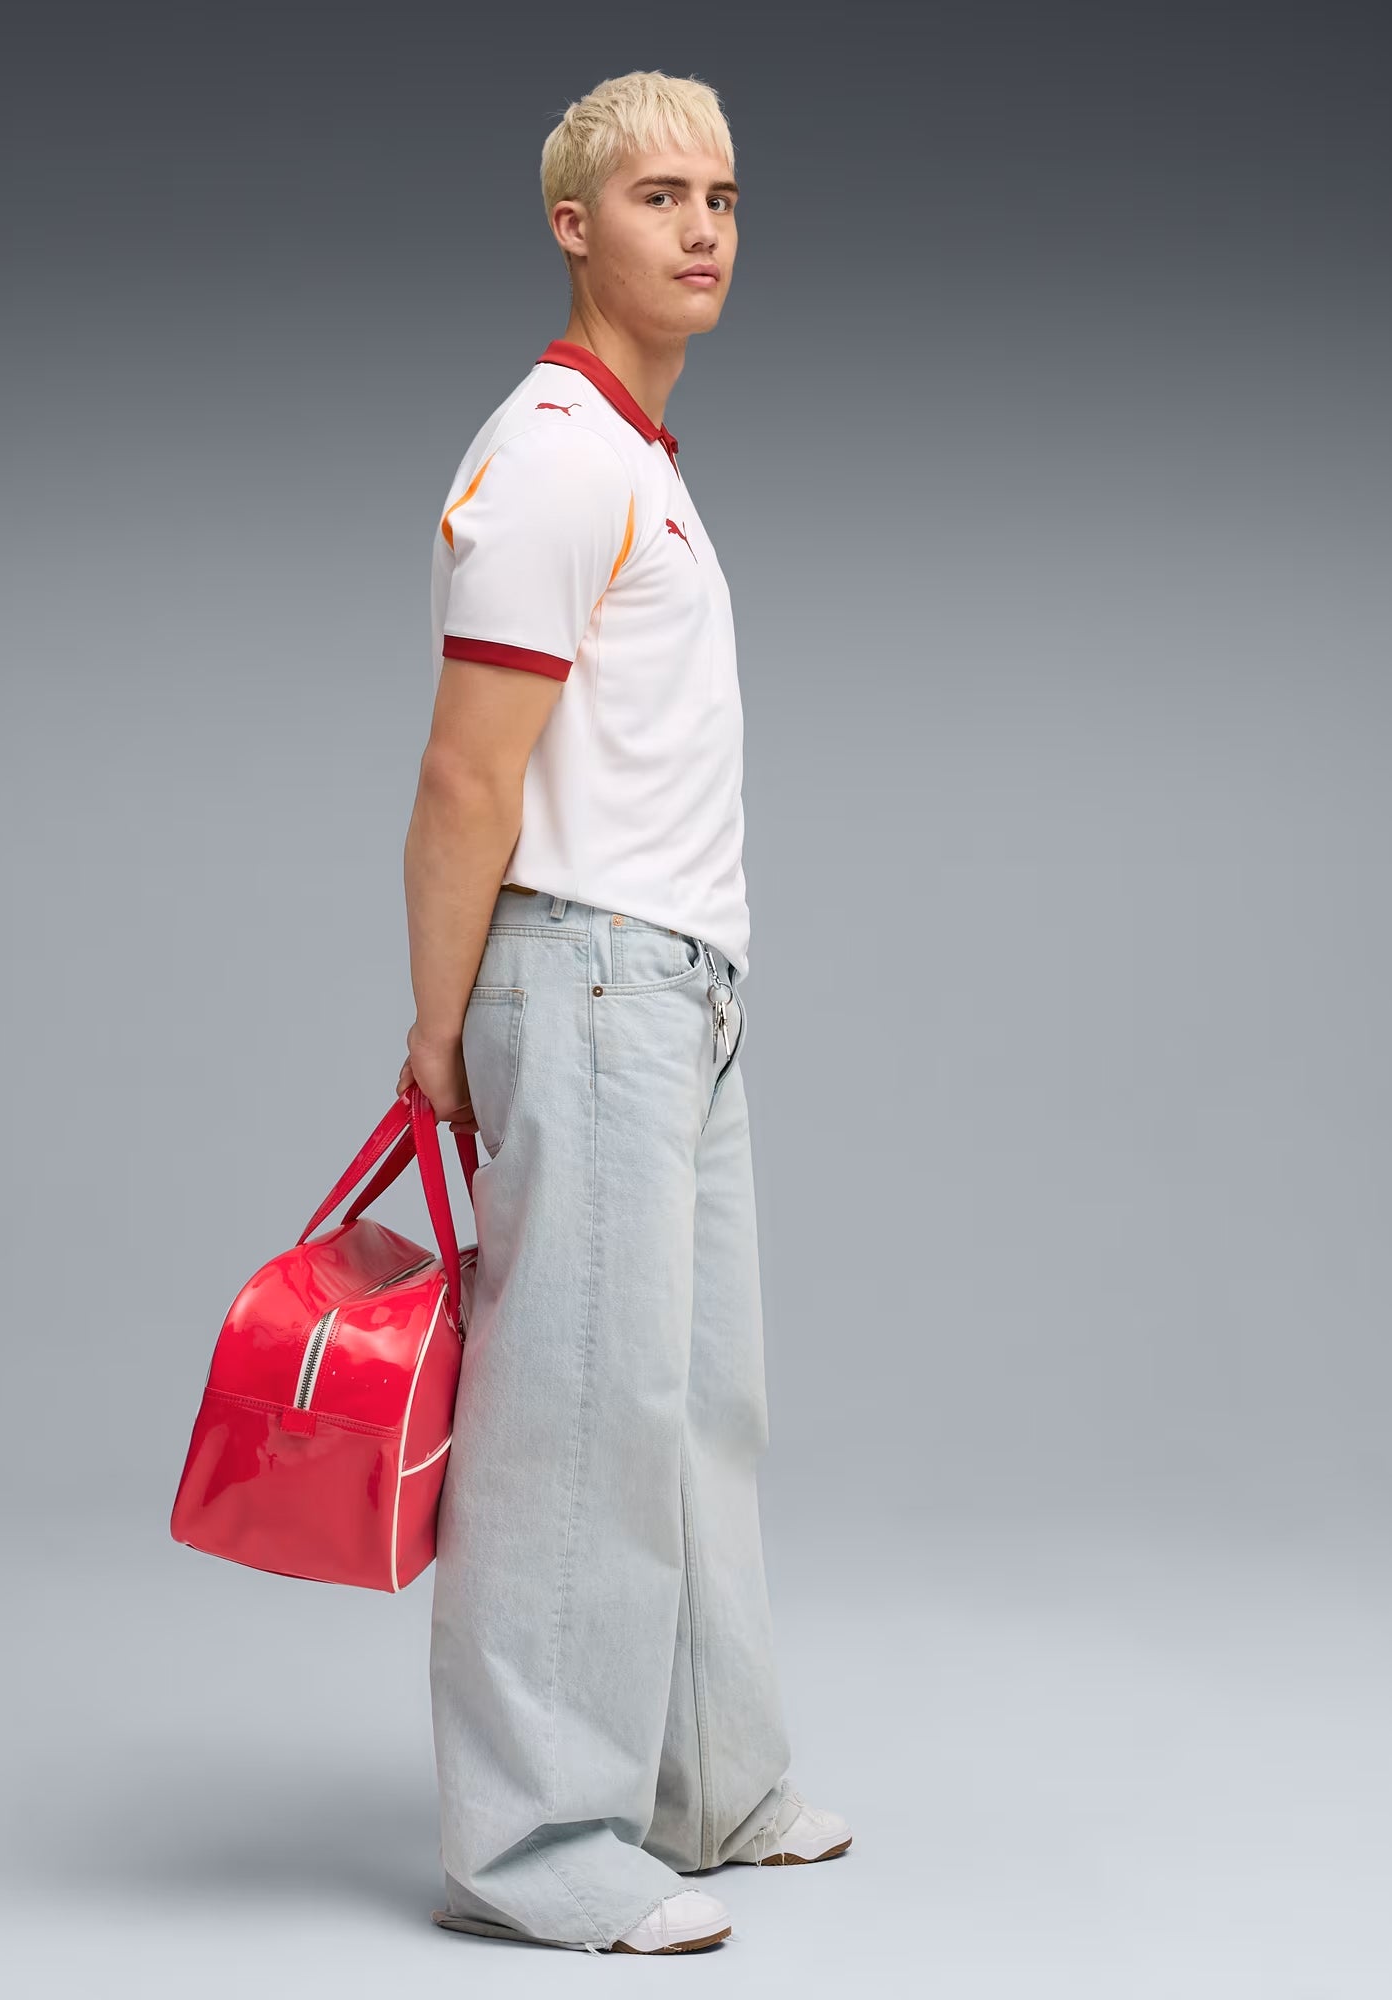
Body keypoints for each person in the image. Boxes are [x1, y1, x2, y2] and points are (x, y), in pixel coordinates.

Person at [396, 69, 851, 1957]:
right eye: (660, 196)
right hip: (584, 980)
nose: (704, 228)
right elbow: (464, 778)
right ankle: (532, 1847)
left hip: (676, 992)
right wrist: (441, 1032)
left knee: (689, 1408)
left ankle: (702, 1783)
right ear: (573, 228)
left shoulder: (637, 455)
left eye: (722, 195)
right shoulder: (557, 456)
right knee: (576, 1419)